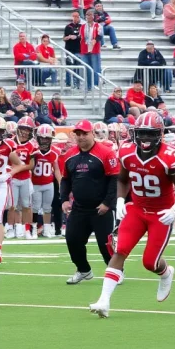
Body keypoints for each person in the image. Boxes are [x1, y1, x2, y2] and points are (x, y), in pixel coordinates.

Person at [89, 112, 175, 317]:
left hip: (161, 213)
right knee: (120, 251)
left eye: (150, 134)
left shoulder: (168, 156)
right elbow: (122, 179)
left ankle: (166, 273)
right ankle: (104, 301)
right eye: (141, 133)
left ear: (160, 134)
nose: (145, 139)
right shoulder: (127, 151)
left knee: (150, 262)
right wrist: (120, 200)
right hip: (136, 209)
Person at [61, 119, 119, 284]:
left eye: (84, 133)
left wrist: (107, 203)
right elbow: (65, 180)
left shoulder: (105, 152)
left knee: (104, 243)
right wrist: (64, 199)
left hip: (101, 208)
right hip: (79, 207)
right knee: (72, 239)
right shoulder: (70, 154)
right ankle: (83, 270)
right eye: (78, 134)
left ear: (92, 133)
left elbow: (114, 179)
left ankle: (116, 270)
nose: (81, 137)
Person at [79, 9, 102, 89]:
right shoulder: (82, 26)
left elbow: (100, 36)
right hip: (84, 49)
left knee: (96, 68)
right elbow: (81, 37)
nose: (89, 16)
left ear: (93, 16)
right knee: (87, 68)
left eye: (90, 14)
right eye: (87, 15)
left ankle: (95, 85)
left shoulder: (98, 25)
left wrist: (95, 40)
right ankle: (88, 86)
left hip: (94, 49)